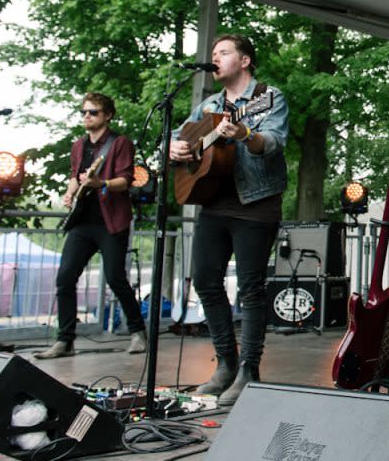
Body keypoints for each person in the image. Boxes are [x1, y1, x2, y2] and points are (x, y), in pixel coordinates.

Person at [169, 34, 288, 405]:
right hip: (214, 203)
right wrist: (173, 147)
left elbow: (272, 142)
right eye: (213, 54)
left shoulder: (269, 97)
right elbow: (181, 137)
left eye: (222, 53)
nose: (214, 58)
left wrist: (245, 133)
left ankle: (248, 370)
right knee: (205, 281)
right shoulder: (209, 105)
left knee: (251, 289)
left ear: (245, 60)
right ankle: (225, 364)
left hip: (255, 204)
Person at [36, 93, 147, 359]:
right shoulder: (78, 146)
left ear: (108, 115)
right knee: (65, 278)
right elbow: (76, 177)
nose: (87, 116)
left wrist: (103, 184)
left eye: (93, 112)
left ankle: (137, 332)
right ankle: (65, 340)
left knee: (115, 278)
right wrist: (69, 194)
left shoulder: (120, 143)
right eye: (84, 112)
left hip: (111, 222)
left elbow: (126, 180)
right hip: (82, 222)